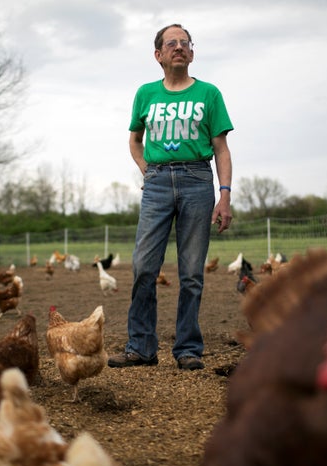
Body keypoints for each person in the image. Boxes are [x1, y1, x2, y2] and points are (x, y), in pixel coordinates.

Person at [108, 24, 234, 371]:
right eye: (171, 43)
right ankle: (141, 348)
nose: (179, 47)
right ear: (158, 55)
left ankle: (188, 348)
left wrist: (224, 196)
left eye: (185, 43)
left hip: (197, 180)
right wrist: (146, 169)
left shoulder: (209, 94)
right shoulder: (146, 94)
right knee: (143, 265)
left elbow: (221, 149)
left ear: (191, 53)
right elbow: (135, 139)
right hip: (158, 183)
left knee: (192, 271)